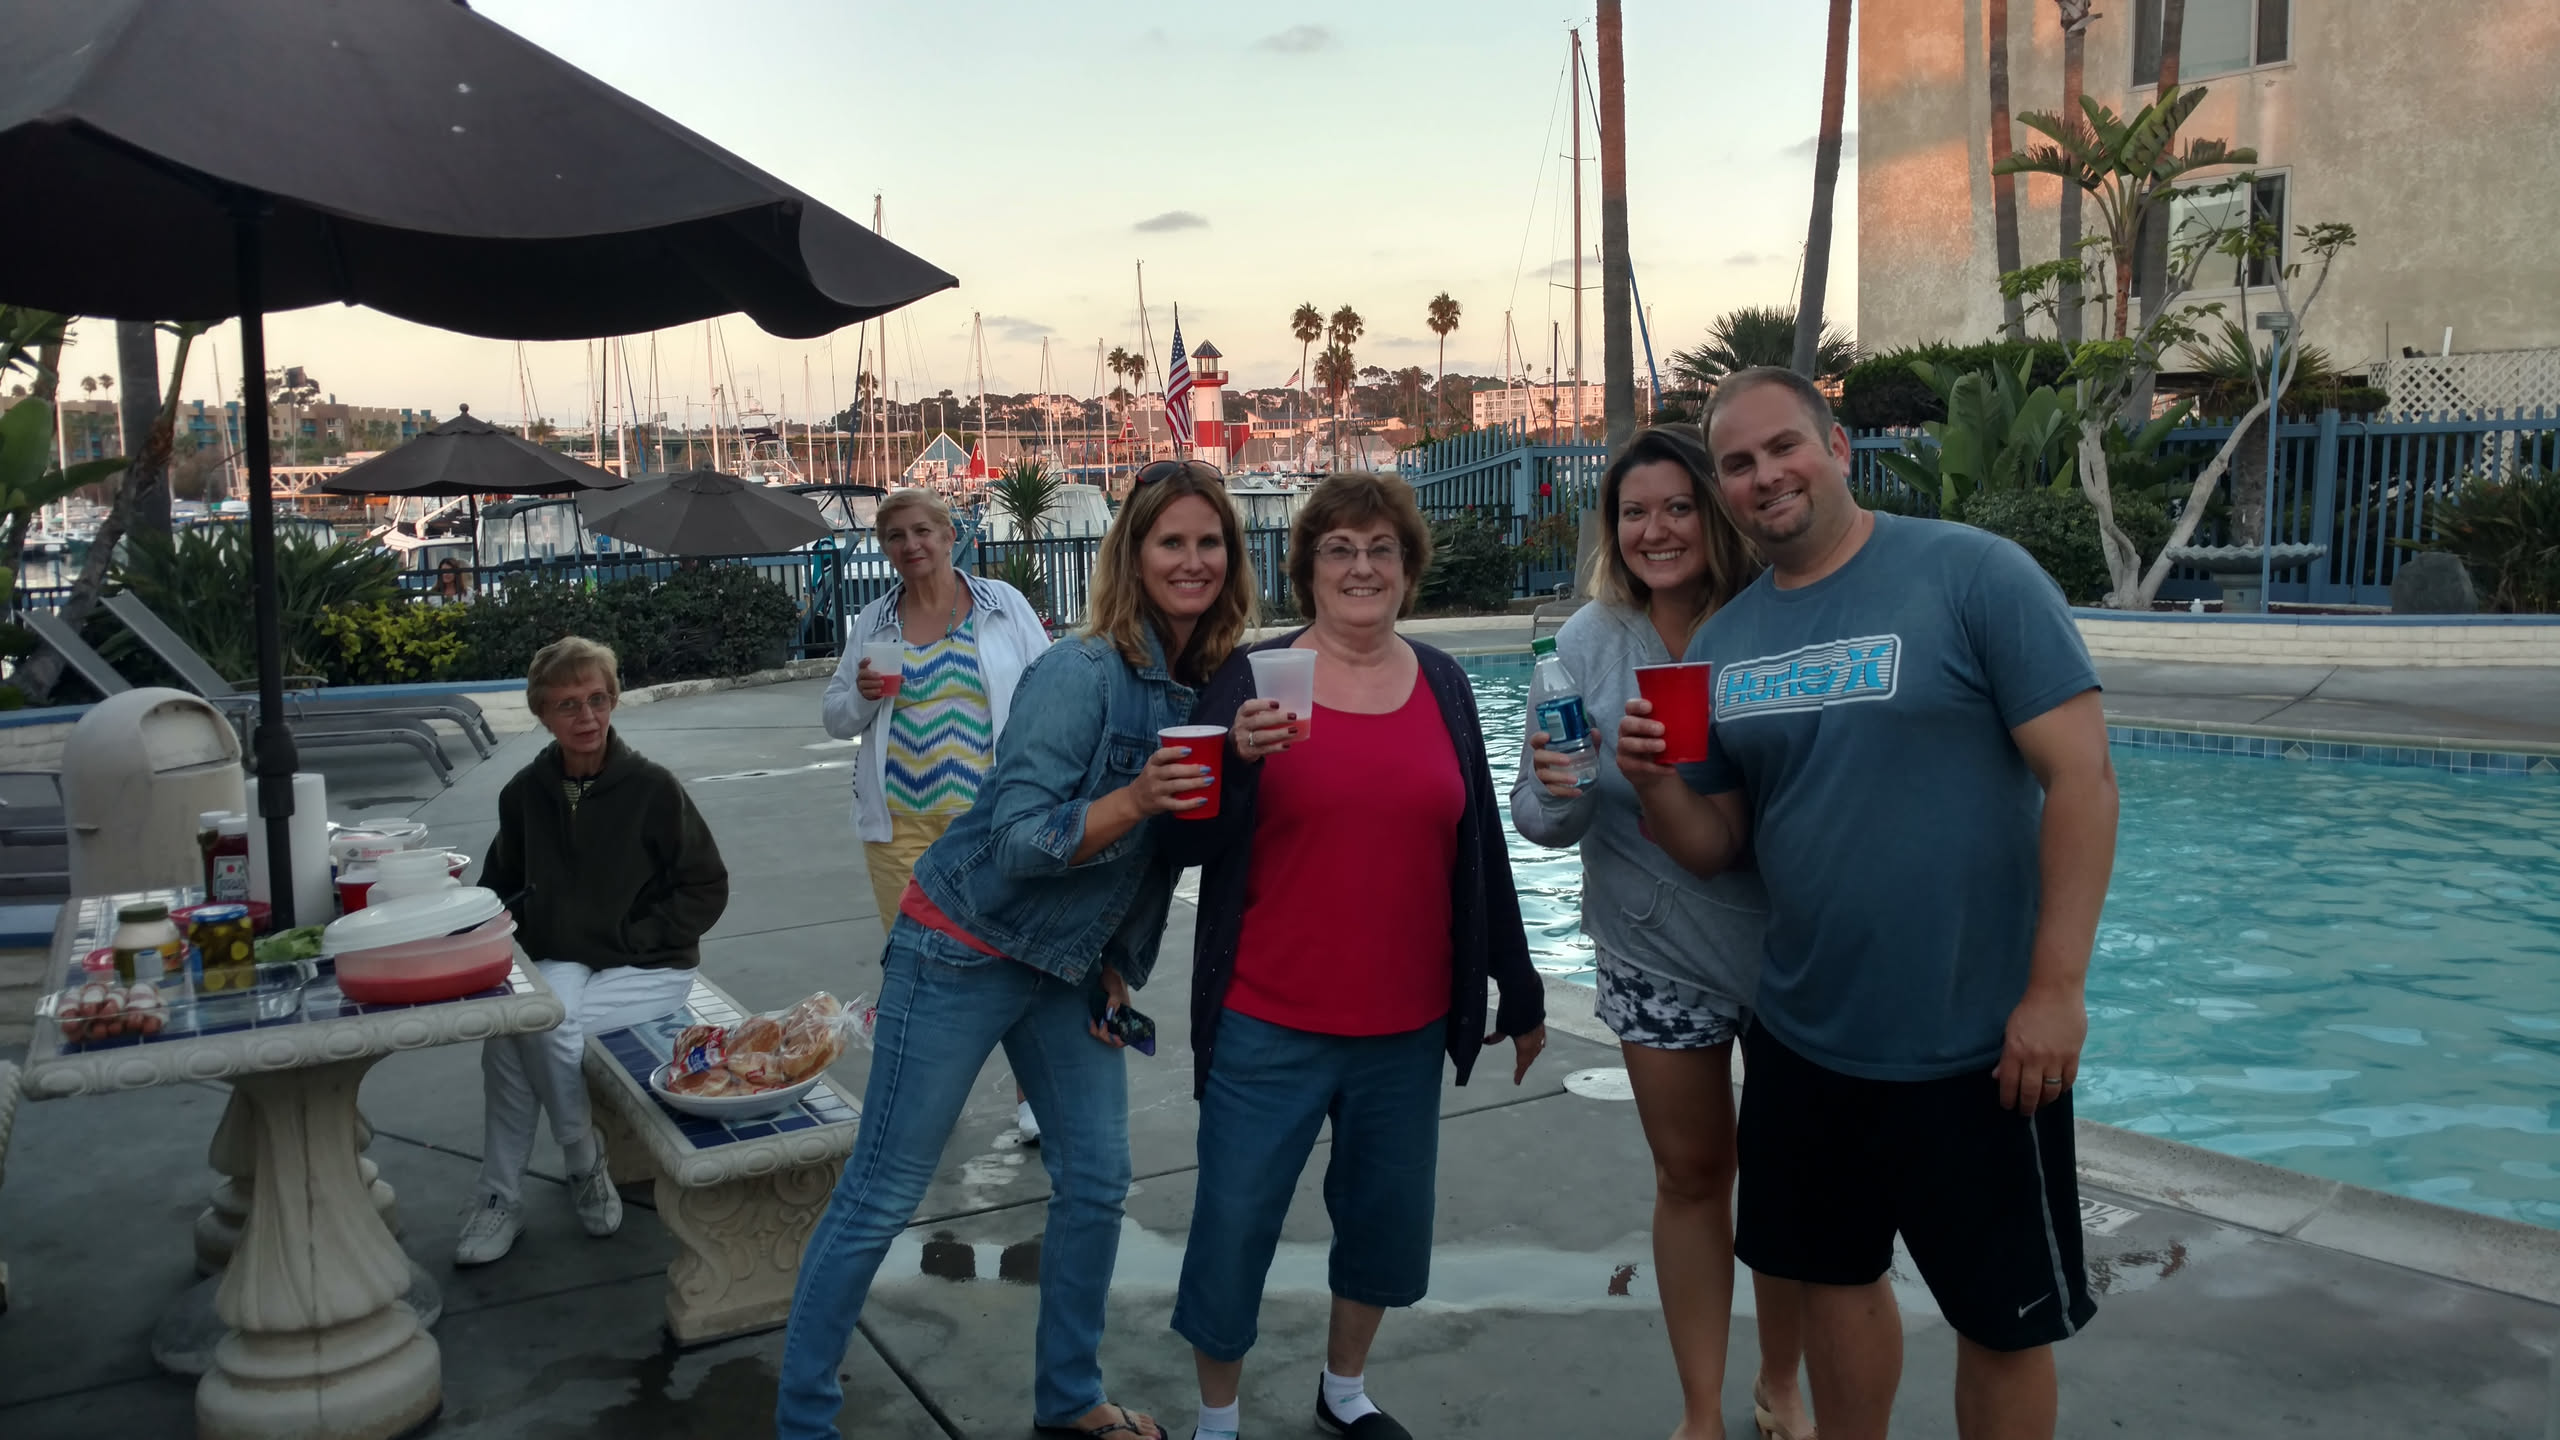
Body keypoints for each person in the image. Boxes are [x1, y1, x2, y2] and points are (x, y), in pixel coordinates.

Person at [1617, 368, 2118, 1440]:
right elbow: (1716, 847)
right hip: (1805, 1042)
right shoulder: (1723, 645)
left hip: (1979, 1044)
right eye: (1738, 464)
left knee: (2001, 1323)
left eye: (1783, 447)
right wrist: (1654, 782)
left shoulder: (1973, 574)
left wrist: (2055, 991)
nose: (1764, 476)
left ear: (1838, 448)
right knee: (1836, 1289)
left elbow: (2082, 778)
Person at [776, 460, 1258, 1440]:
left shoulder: (1205, 688)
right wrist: (1135, 798)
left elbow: (1154, 867)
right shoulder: (1081, 671)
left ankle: (1069, 1401)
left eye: (1209, 542)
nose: (1192, 560)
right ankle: (804, 1421)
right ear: (1133, 554)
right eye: (1170, 540)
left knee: (1098, 1180)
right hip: (959, 946)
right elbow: (1019, 842)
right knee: (881, 1194)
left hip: (1066, 966)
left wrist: (1118, 961)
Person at [1164, 471, 1549, 1440]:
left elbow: (1479, 845)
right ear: (1308, 570)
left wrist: (1519, 981)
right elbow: (1184, 842)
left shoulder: (1446, 684)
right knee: (1233, 1225)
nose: (1362, 567)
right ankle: (1218, 1418)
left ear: (1408, 569)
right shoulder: (1250, 678)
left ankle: (1345, 1393)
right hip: (1267, 1018)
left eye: (1382, 549)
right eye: (1339, 549)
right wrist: (1234, 765)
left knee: (1383, 1222)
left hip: (1405, 1027)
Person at [1511, 425, 1816, 1440]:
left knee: (1786, 1188)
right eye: (1634, 513)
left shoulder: (1774, 622)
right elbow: (1541, 820)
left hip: (1788, 947)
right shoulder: (1585, 644)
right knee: (1691, 1179)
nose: (1656, 531)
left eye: (1678, 506)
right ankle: (1699, 1413)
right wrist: (1561, 785)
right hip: (1653, 949)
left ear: (1713, 514)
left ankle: (1781, 1384)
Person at [465, 635, 730, 1265]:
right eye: (567, 705)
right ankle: (557, 1172)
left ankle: (529, 1184)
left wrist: (635, 936)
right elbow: (499, 888)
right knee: (515, 1031)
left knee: (532, 1028)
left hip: (648, 966)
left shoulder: (653, 788)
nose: (586, 717)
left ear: (612, 700)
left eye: (597, 700)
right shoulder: (524, 794)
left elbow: (706, 886)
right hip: (562, 962)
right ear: (542, 713)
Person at [823, 487, 1053, 1140]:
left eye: (923, 531)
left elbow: (1050, 685)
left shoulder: (1001, 605)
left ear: (951, 536)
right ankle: (930, 1102)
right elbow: (836, 716)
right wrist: (863, 696)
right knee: (917, 970)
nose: (911, 545)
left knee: (1012, 958)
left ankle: (1032, 1095)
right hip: (899, 829)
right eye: (895, 536)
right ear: (884, 549)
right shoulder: (874, 622)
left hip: (989, 826)